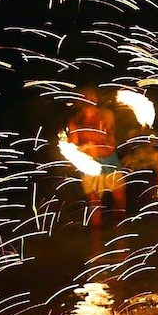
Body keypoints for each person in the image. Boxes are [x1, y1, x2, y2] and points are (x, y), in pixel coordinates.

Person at [67, 87, 125, 227]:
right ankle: (96, 240)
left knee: (120, 198)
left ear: (96, 99)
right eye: (85, 97)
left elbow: (111, 144)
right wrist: (86, 147)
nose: (88, 100)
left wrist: (94, 145)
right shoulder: (75, 121)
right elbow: (73, 148)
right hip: (89, 164)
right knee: (94, 203)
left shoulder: (106, 115)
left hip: (110, 160)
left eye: (91, 97)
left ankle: (120, 233)